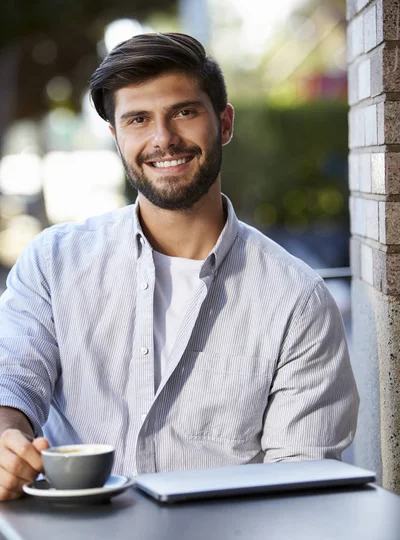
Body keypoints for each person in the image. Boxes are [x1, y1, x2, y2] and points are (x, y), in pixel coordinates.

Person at [0, 33, 359, 501]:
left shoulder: (297, 300)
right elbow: (12, 377)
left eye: (184, 112)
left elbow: (300, 488)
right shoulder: (52, 262)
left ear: (224, 123)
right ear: (116, 137)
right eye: (138, 119)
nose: (163, 138)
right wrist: (7, 437)